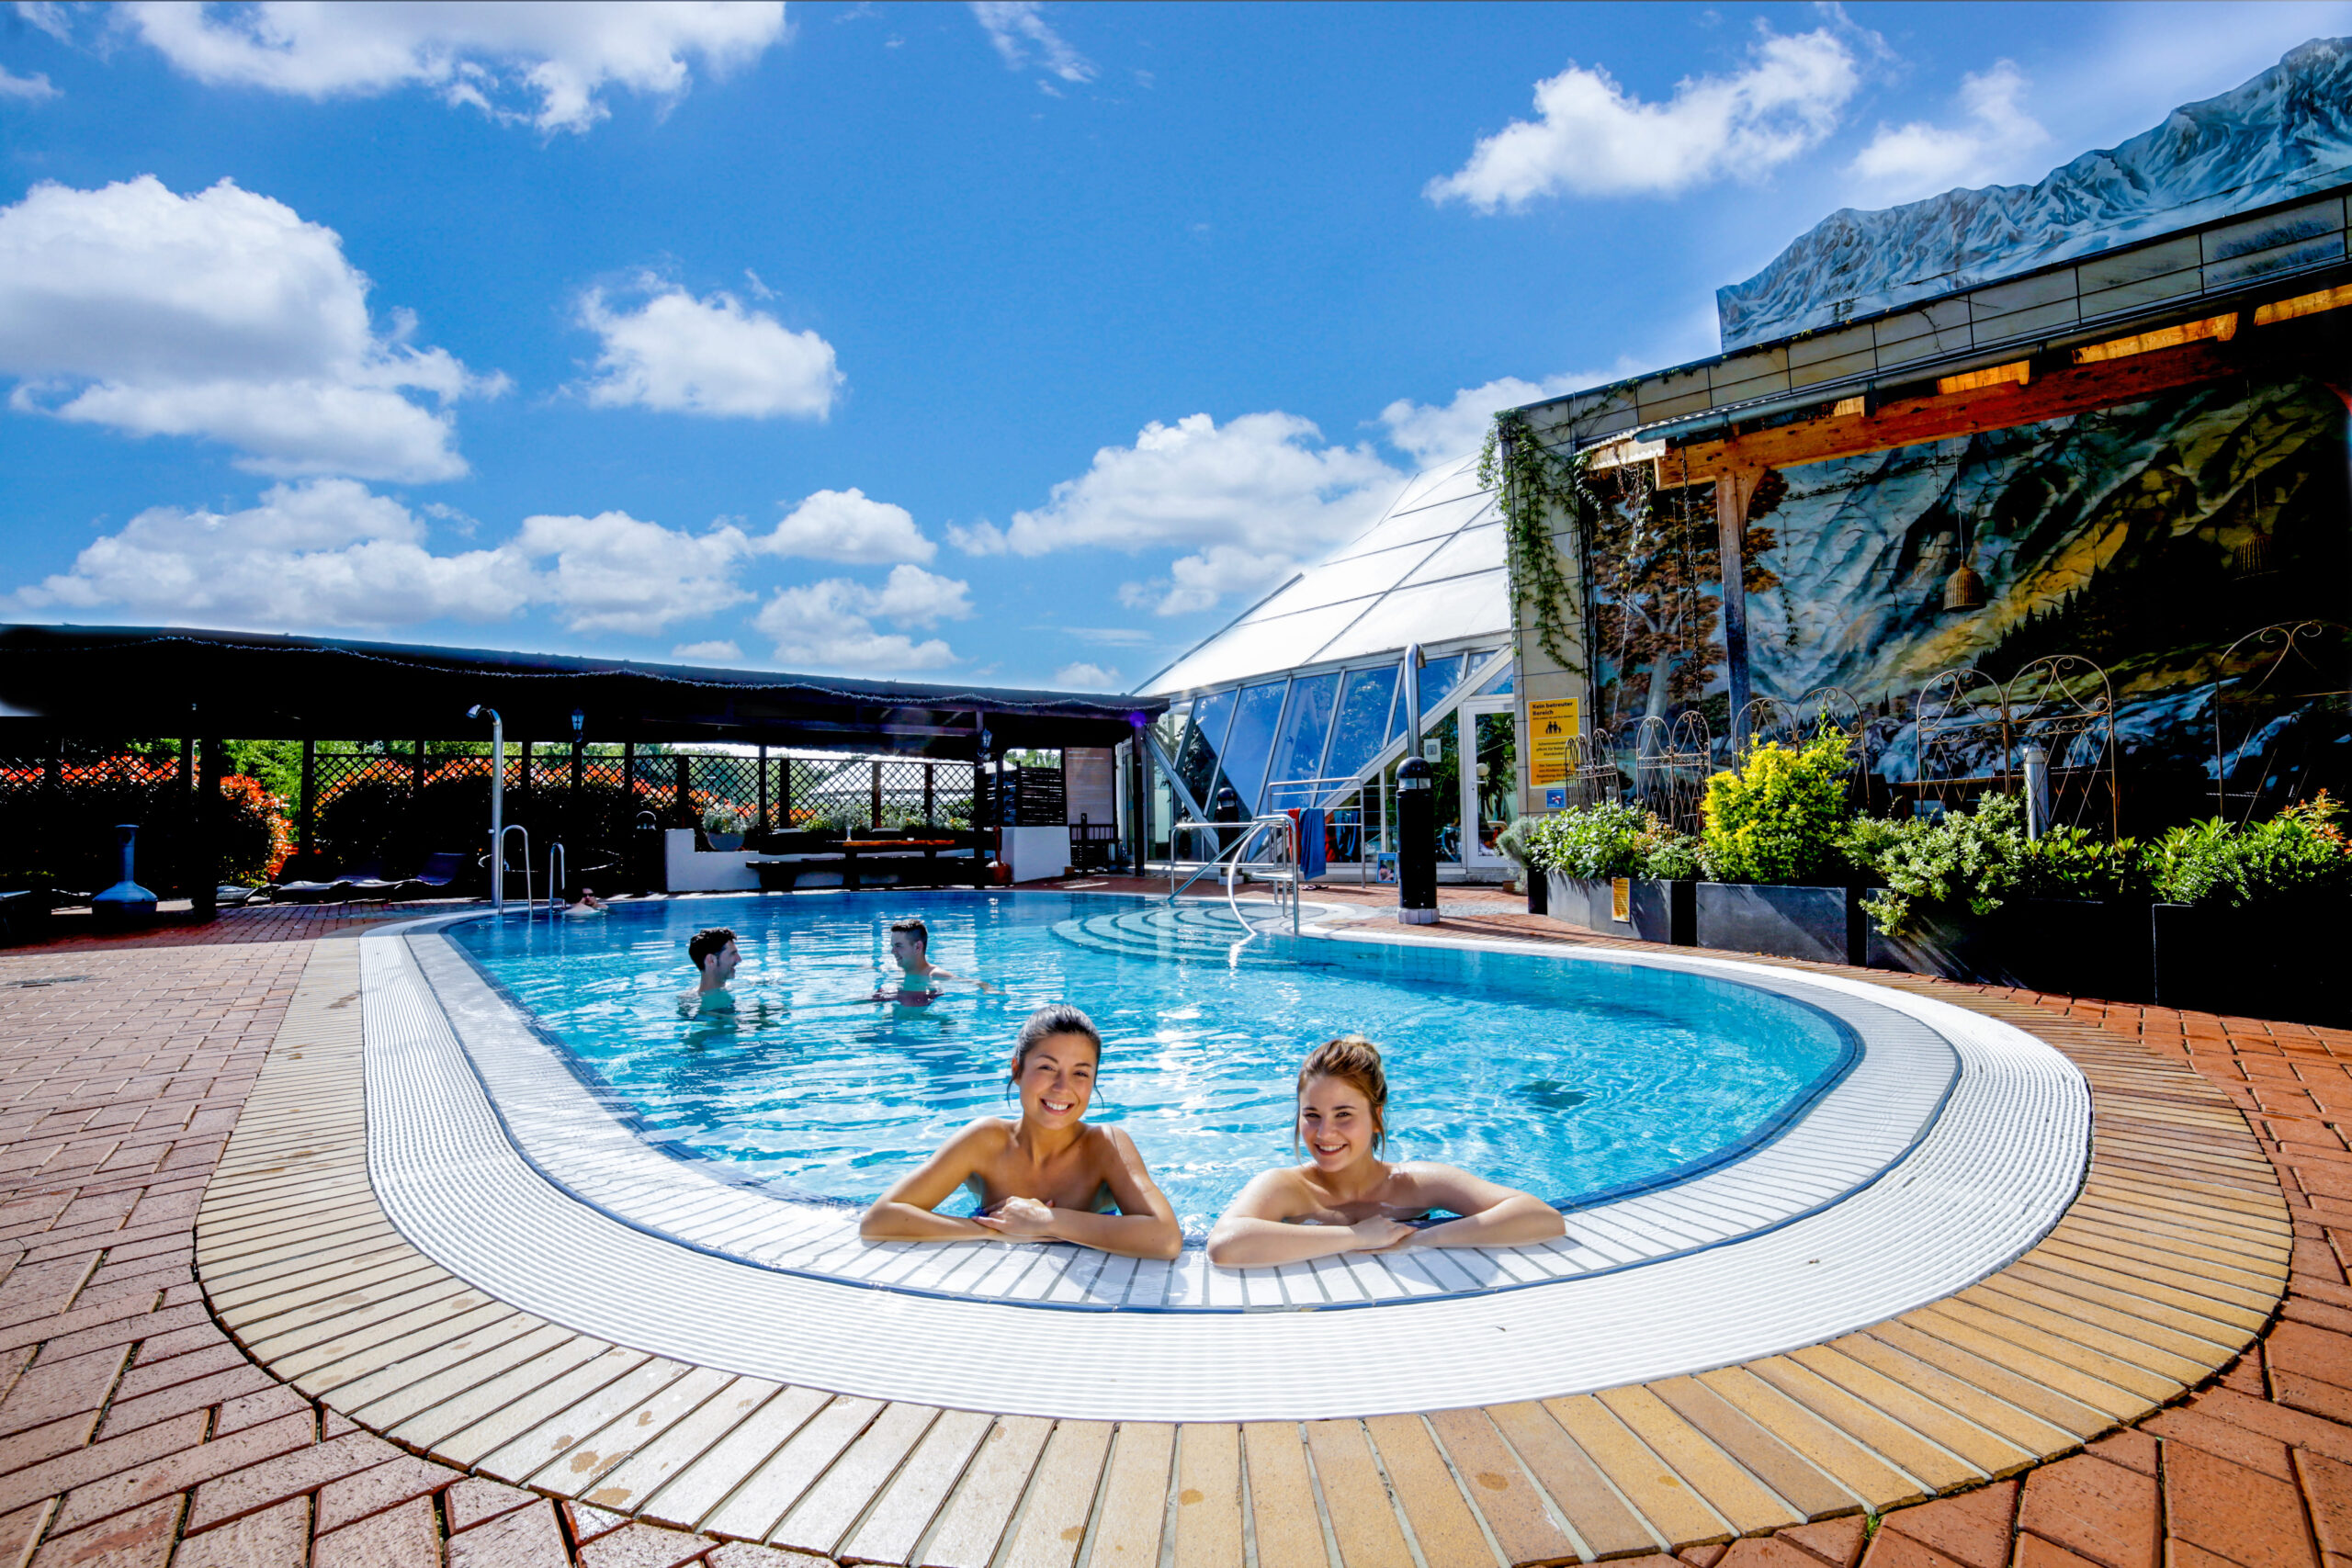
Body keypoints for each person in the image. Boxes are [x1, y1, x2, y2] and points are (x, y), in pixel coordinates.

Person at [1204, 1034, 1564, 1268]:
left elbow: (1541, 1216)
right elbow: (1224, 1245)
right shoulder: (1287, 1188)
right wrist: (1355, 1237)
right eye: (1311, 1115)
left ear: (1377, 1118)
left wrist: (1421, 1237)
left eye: (1343, 1115)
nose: (1324, 1133)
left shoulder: (1413, 1184)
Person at [860, 1003, 1181, 1258]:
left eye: (1080, 1073)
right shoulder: (986, 1141)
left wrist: (1046, 1222)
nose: (1062, 1087)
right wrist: (992, 1230)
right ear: (1017, 1070)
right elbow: (880, 1219)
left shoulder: (1105, 1145)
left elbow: (1165, 1239)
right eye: (1047, 1067)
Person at [871, 916, 989, 1003]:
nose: (893, 952)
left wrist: (989, 990)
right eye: (893, 946)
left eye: (898, 946)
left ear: (917, 947)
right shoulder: (896, 969)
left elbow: (978, 983)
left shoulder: (934, 974)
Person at [676, 927, 740, 1016]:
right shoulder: (692, 1004)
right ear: (711, 960)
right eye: (732, 954)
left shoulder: (688, 1000)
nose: (739, 959)